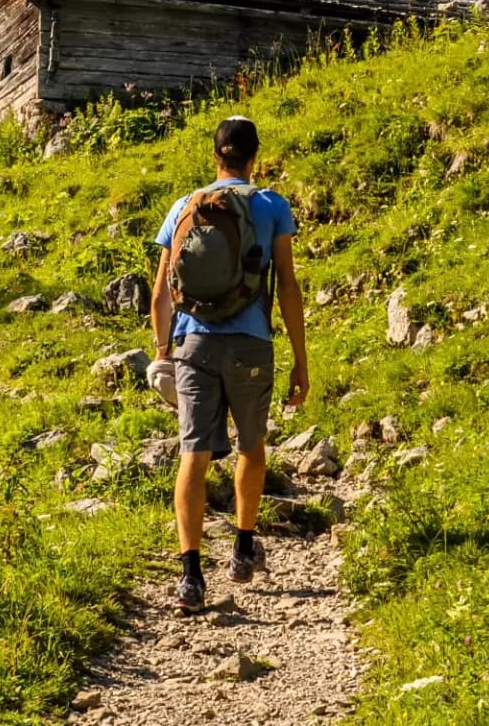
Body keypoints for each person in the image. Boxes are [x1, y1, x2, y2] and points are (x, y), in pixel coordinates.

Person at [150, 115, 308, 612]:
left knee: (193, 454)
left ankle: (191, 577)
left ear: (216, 155)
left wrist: (161, 351)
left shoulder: (184, 207)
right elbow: (285, 283)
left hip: (192, 344)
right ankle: (242, 548)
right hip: (251, 343)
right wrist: (301, 360)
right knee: (251, 445)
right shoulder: (270, 205)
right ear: (254, 156)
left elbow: (161, 292)